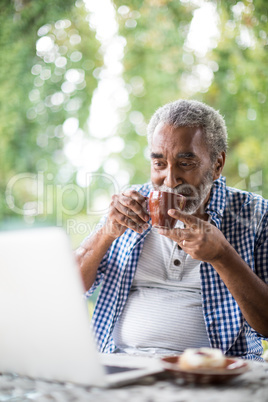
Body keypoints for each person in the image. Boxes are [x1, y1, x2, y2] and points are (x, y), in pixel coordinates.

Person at [75, 99, 268, 360]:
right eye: (159, 164)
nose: (170, 180)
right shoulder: (129, 207)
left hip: (215, 375)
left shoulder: (256, 214)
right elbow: (68, 287)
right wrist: (105, 233)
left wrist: (222, 256)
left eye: (185, 164)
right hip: (120, 364)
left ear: (217, 165)